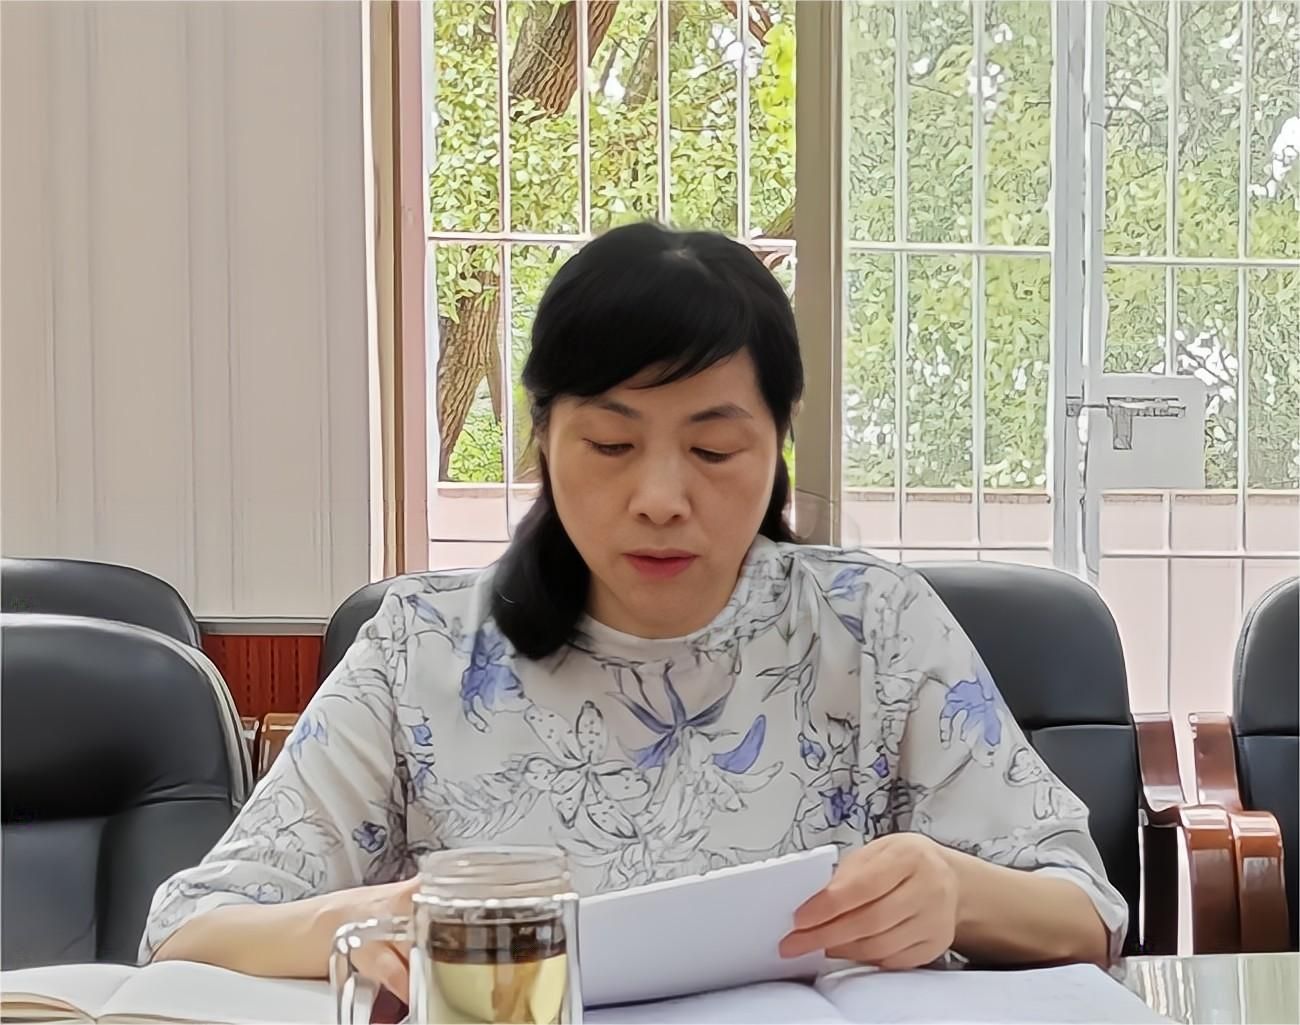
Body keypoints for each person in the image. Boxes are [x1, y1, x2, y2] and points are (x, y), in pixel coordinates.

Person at [144, 222, 1126, 996]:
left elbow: (1085, 909)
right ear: (543, 441)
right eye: (612, 445)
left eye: (712, 449)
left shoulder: (876, 628)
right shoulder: (422, 647)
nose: (660, 497)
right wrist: (357, 922)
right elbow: (190, 926)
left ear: (777, 445)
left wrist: (956, 893)